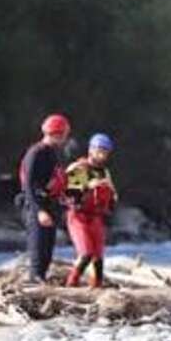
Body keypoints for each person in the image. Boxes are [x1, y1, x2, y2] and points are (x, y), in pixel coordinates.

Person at [18, 114, 73, 283]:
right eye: (63, 134)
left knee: (47, 251)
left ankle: (41, 278)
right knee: (38, 251)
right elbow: (29, 185)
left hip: (50, 206)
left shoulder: (53, 153)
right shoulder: (36, 153)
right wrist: (40, 211)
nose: (65, 138)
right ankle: (35, 281)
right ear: (57, 133)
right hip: (36, 208)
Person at [63, 133, 118, 288]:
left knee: (98, 257)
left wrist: (112, 196)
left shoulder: (104, 172)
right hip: (78, 217)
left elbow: (112, 195)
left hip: (96, 216)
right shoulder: (79, 168)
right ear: (91, 150)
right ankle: (71, 284)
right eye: (99, 151)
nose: (102, 155)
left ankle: (96, 286)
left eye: (105, 152)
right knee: (86, 253)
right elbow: (71, 195)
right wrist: (88, 185)